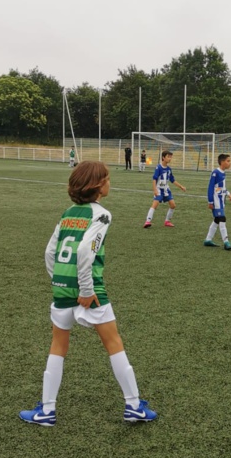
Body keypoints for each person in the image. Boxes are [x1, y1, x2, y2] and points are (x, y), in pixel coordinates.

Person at [19, 161, 157, 426]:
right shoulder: (102, 215)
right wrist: (85, 289)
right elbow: (85, 251)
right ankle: (133, 406)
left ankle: (47, 410)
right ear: (98, 186)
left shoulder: (67, 213)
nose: (109, 183)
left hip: (61, 287)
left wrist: (59, 279)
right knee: (113, 343)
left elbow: (50, 252)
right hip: (89, 291)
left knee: (58, 346)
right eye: (107, 179)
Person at [143, 151, 186, 228]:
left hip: (166, 190)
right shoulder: (158, 167)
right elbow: (154, 179)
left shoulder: (169, 169)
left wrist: (181, 186)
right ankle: (147, 221)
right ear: (163, 157)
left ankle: (167, 221)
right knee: (155, 205)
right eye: (168, 157)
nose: (170, 158)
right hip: (159, 189)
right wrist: (155, 189)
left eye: (170, 157)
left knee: (173, 205)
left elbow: (172, 180)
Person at [204, 154, 231, 250]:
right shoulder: (215, 172)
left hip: (221, 201)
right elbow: (210, 187)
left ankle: (208, 239)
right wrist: (210, 201)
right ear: (222, 162)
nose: (229, 163)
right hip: (216, 201)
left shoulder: (223, 173)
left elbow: (221, 187)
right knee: (222, 218)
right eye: (228, 161)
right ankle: (226, 242)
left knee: (217, 220)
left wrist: (228, 193)